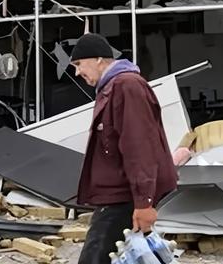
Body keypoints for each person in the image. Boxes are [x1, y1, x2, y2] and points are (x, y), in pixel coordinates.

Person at [70, 33, 177, 264]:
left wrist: (144, 202)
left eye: (79, 64)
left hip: (124, 196)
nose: (77, 72)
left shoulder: (127, 86)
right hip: (120, 194)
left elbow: (139, 147)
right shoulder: (113, 87)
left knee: (95, 258)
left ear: (99, 59)